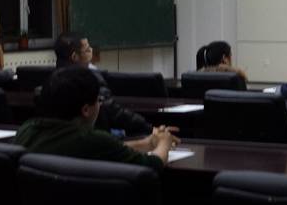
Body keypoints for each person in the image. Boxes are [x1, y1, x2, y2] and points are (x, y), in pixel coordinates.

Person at [15, 66, 178, 170]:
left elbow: (106, 149)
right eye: (98, 100)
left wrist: (146, 143)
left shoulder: (27, 129)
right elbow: (153, 164)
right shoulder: (88, 139)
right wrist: (163, 142)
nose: (100, 105)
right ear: (86, 110)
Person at [54, 32, 152, 137]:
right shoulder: (90, 79)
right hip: (95, 136)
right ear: (74, 56)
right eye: (87, 50)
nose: (91, 50)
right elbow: (112, 111)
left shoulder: (53, 79)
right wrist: (148, 127)